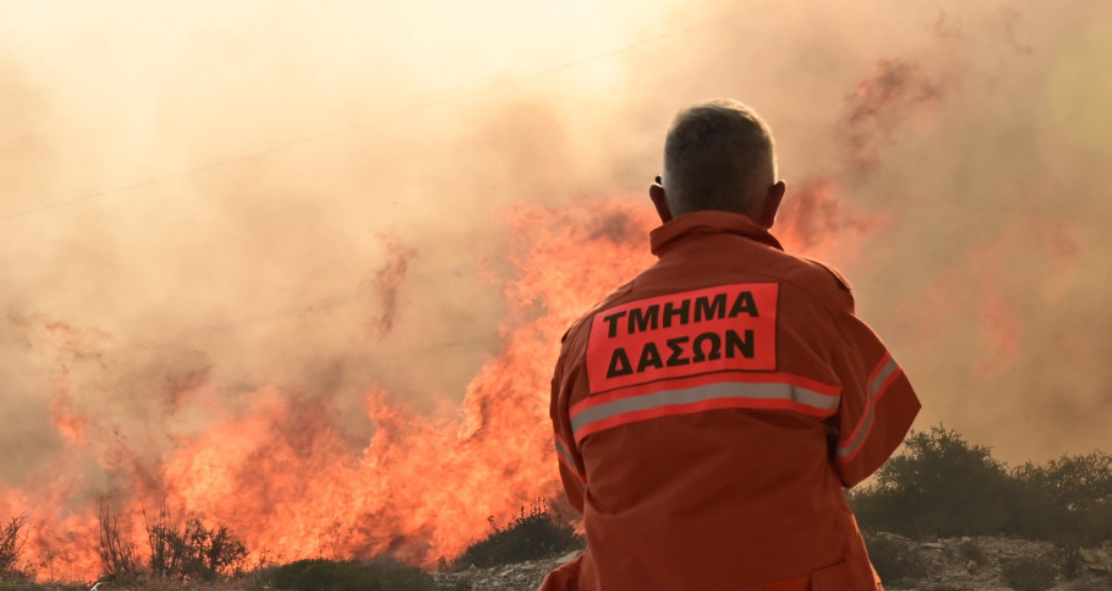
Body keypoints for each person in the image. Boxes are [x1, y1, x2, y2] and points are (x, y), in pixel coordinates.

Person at [538, 99, 922, 591]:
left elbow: (582, 489)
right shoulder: (808, 298)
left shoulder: (585, 340)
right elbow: (862, 450)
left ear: (661, 202)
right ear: (773, 202)